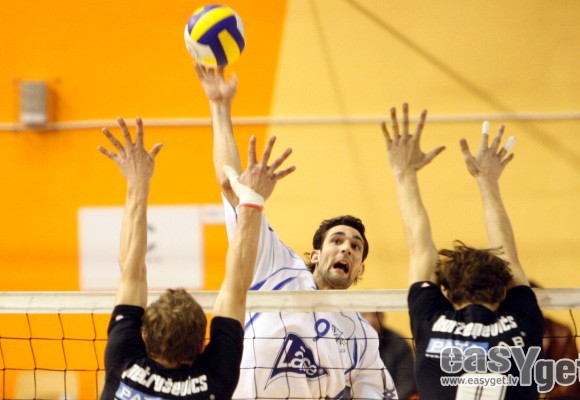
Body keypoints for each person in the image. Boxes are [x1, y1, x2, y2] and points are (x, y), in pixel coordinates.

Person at [195, 63, 398, 399]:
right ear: (315, 255)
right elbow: (232, 187)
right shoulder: (276, 265)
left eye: (356, 247)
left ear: (360, 269)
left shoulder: (361, 334)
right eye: (337, 240)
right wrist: (219, 107)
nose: (346, 248)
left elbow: (376, 393)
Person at [98, 117, 295, 399]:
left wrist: (137, 183)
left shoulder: (123, 363)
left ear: (144, 335)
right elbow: (236, 288)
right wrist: (250, 201)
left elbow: (132, 271)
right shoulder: (215, 382)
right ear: (202, 346)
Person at [382, 104, 544, 399]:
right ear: (503, 290)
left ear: (446, 291)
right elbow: (508, 256)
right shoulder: (522, 323)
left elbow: (419, 248)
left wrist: (403, 172)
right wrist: (487, 180)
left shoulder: (432, 320)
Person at [362, 312, 419, 400]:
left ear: (382, 316)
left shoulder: (399, 344)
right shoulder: (345, 345)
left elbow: (406, 385)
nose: (371, 320)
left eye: (375, 315)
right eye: (364, 315)